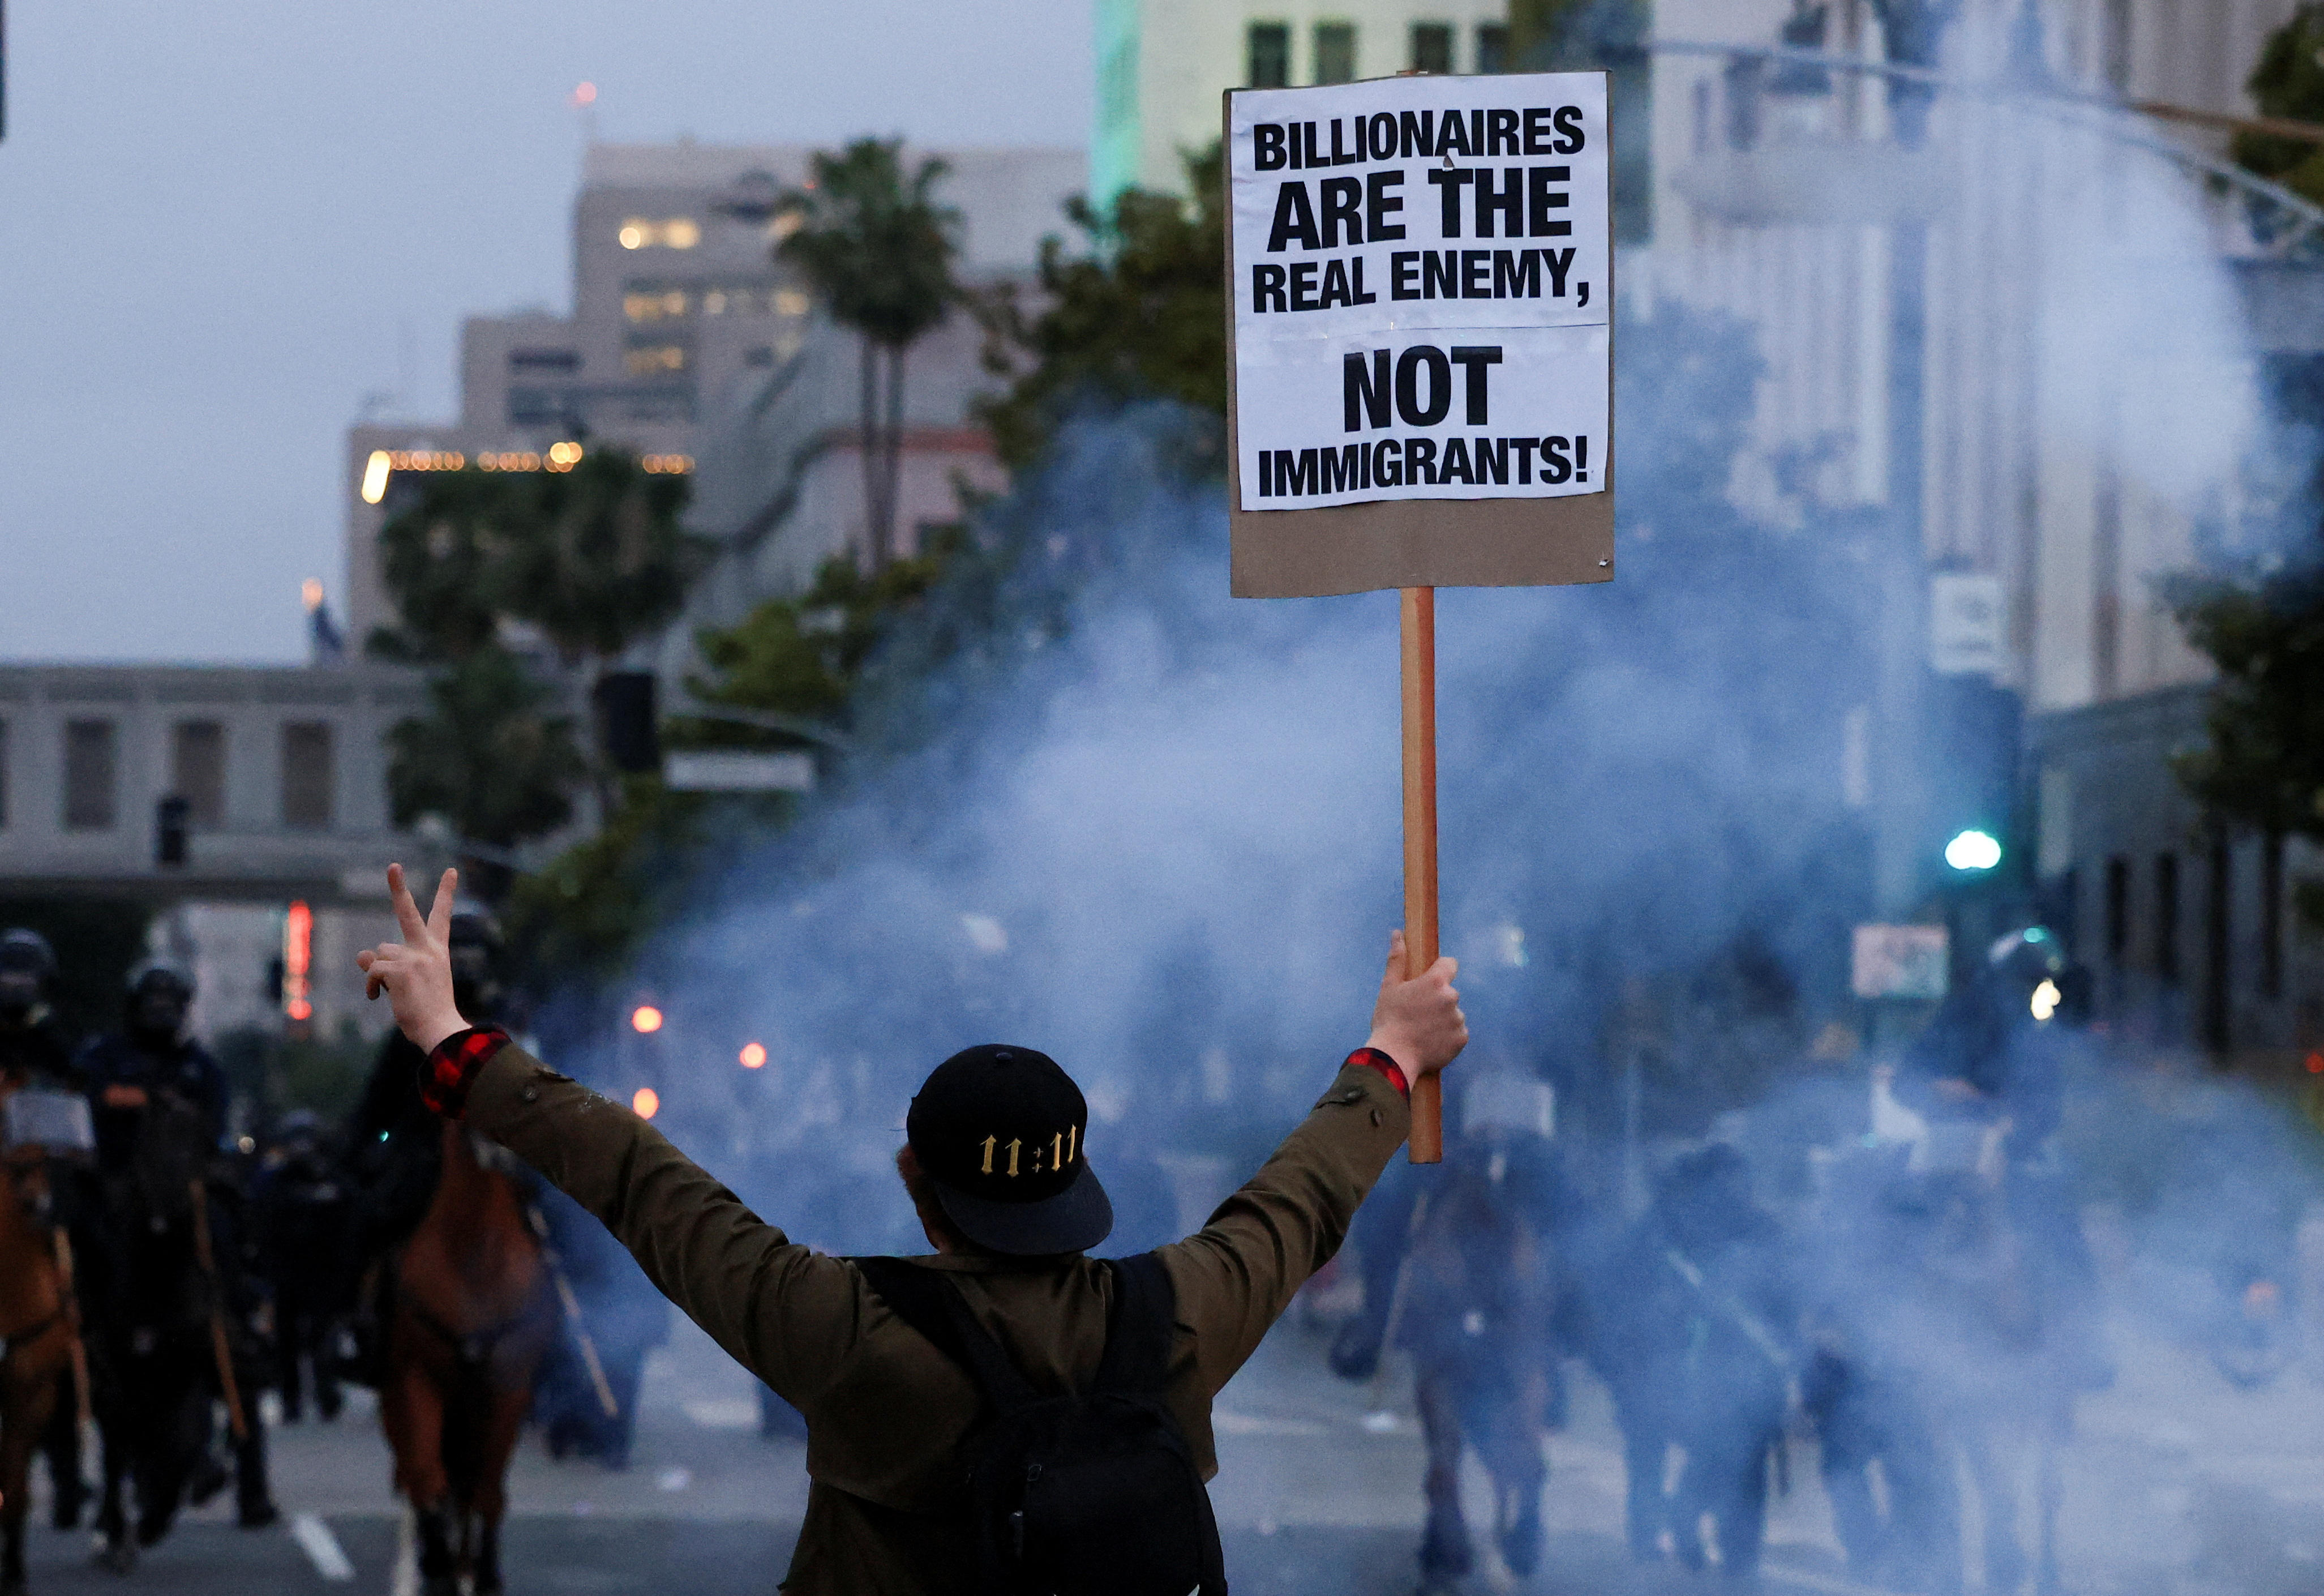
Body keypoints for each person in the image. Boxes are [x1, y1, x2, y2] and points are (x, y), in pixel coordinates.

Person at [357, 864, 1466, 1595]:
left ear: (916, 1181)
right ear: (1080, 1181)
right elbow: (1297, 1197)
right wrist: (1389, 1052)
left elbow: (645, 1182)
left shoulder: (841, 1324)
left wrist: (453, 1038)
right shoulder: (1183, 1307)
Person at [250, 1111, 350, 1422]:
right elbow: (262, 1225)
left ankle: (326, 1393)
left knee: (323, 1336)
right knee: (287, 1340)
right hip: (286, 1274)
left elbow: (345, 1225)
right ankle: (292, 1399)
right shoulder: (274, 1183)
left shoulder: (332, 1179)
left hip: (320, 1273)